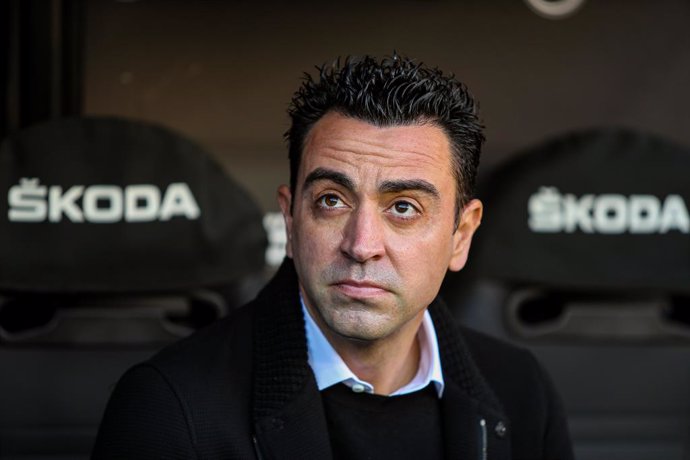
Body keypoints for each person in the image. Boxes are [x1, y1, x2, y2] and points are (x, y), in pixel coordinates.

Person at [93, 55, 574, 460]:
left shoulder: (522, 391)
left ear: (460, 236)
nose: (361, 244)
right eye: (331, 200)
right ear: (290, 218)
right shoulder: (169, 407)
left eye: (403, 208)